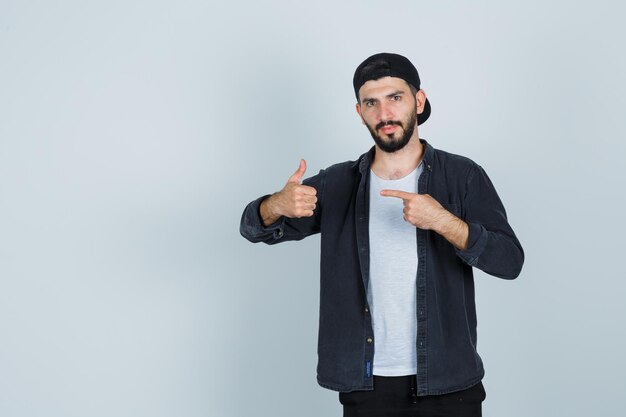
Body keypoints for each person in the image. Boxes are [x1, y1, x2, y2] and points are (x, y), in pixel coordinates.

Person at [239, 52, 524, 417]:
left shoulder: (462, 176)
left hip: (449, 382)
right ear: (359, 112)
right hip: (368, 386)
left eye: (395, 97)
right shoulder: (338, 184)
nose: (384, 113)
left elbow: (510, 261)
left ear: (418, 101)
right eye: (371, 102)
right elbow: (253, 227)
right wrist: (275, 205)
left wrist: (443, 221)